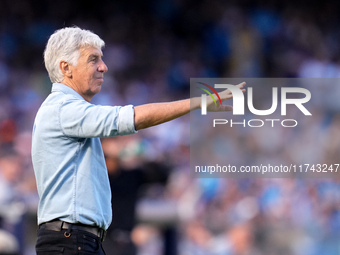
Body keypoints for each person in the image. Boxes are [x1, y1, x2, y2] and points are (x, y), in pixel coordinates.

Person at [31, 26, 245, 255]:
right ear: (66, 67)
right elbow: (135, 117)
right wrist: (199, 102)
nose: (103, 66)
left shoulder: (66, 111)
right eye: (93, 59)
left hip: (77, 240)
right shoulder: (63, 108)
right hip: (70, 240)